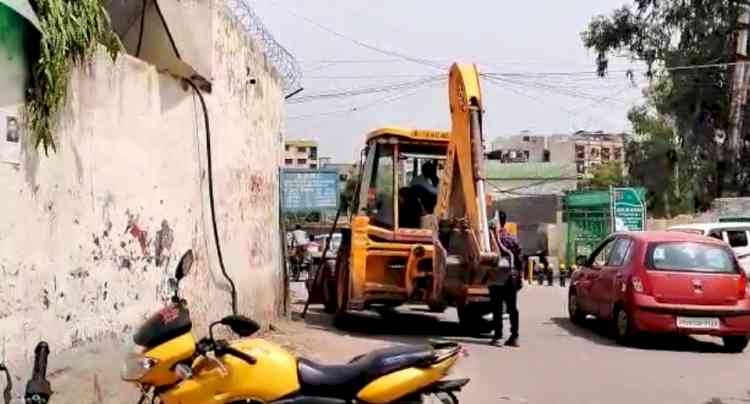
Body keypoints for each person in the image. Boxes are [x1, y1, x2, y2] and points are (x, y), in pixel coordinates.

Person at [488, 210, 522, 347]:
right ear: (505, 222)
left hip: (496, 276)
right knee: (512, 307)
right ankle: (514, 336)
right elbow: (519, 260)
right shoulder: (512, 238)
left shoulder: (490, 239)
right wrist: (519, 277)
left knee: (496, 307)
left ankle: (497, 336)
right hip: (511, 276)